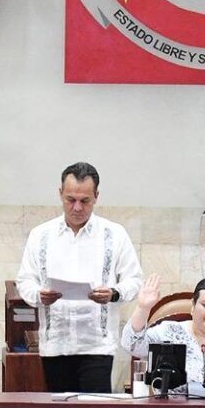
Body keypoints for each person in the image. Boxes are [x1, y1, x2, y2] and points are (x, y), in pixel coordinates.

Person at [16, 161, 143, 393]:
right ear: (60, 194)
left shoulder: (114, 234)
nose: (77, 207)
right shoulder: (40, 235)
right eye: (70, 199)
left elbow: (134, 279)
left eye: (84, 201)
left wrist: (113, 293)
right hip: (56, 343)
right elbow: (25, 280)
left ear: (96, 196)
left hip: (97, 345)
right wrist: (38, 295)